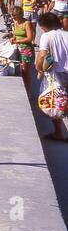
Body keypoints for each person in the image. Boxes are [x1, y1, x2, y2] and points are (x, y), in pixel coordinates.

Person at [35, 11, 68, 142]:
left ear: (44, 26)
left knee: (55, 101)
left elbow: (42, 55)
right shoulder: (66, 34)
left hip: (56, 74)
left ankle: (59, 132)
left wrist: (39, 68)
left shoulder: (47, 36)